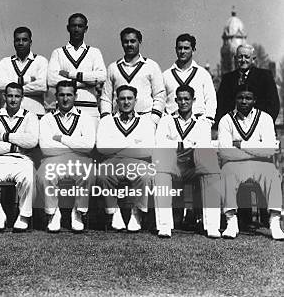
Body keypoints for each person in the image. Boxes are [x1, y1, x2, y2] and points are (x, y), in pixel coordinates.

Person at [154, 85, 221, 238]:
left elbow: (203, 145)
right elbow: (159, 143)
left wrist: (176, 144)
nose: (183, 102)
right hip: (174, 166)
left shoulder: (202, 122)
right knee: (160, 170)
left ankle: (212, 225)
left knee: (210, 166)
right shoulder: (167, 120)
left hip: (194, 166)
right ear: (175, 100)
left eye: (187, 99)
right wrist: (183, 144)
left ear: (193, 101)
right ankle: (164, 225)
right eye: (180, 99)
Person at [218, 85, 284, 240]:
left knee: (273, 175)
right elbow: (225, 152)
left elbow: (269, 149)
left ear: (254, 100)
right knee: (227, 173)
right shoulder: (226, 120)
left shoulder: (265, 118)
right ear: (235, 99)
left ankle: (275, 222)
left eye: (248, 98)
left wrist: (241, 145)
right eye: (240, 97)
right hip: (235, 164)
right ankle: (231, 221)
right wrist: (256, 149)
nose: (244, 101)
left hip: (261, 164)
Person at [0, 83, 39, 232]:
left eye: (17, 96)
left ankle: (23, 216)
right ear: (4, 97)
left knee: (29, 176)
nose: (13, 100)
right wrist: (13, 147)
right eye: (10, 96)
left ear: (22, 98)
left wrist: (5, 136)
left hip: (21, 161)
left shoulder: (30, 116)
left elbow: (31, 141)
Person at [37, 80, 96, 233]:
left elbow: (88, 146)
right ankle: (53, 213)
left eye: (69, 95)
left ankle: (77, 213)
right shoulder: (47, 119)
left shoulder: (86, 118)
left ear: (75, 96)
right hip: (53, 160)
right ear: (56, 96)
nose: (65, 99)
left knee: (87, 173)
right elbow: (46, 148)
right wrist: (74, 147)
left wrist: (61, 139)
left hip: (80, 160)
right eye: (61, 95)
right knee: (44, 175)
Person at [96, 85, 155, 232]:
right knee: (103, 174)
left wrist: (116, 147)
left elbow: (148, 150)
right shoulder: (106, 121)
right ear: (116, 100)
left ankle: (136, 212)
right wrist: (132, 144)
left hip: (138, 162)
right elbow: (102, 147)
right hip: (112, 162)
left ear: (136, 100)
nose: (126, 102)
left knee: (145, 175)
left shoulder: (145, 121)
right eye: (122, 99)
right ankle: (114, 212)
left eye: (130, 98)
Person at [101, 27, 165, 126]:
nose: (129, 45)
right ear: (122, 43)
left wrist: (153, 120)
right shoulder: (113, 67)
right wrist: (106, 120)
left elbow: (159, 95)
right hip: (118, 121)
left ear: (139, 42)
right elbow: (106, 98)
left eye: (133, 41)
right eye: (126, 42)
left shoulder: (151, 66)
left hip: (145, 120)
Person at [48, 13, 106, 119]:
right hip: (64, 109)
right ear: (68, 28)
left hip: (90, 109)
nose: (76, 29)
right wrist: (86, 82)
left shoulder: (94, 52)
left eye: (80, 26)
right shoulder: (58, 52)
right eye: (73, 26)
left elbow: (101, 77)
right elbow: (51, 79)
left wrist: (70, 75)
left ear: (86, 28)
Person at [216, 44, 279, 123]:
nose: (243, 60)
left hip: (259, 126)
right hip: (233, 127)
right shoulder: (227, 79)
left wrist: (264, 125)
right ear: (235, 58)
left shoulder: (265, 76)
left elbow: (273, 105)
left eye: (247, 57)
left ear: (253, 59)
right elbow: (221, 106)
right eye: (240, 57)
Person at [162, 34, 216, 124]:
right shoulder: (166, 75)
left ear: (193, 50)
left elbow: (211, 100)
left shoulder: (203, 74)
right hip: (172, 124)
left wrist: (208, 120)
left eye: (186, 48)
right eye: (180, 48)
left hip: (198, 122)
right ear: (175, 50)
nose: (182, 51)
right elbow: (161, 102)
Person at [0, 26, 48, 117]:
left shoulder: (41, 61)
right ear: (14, 42)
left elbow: (42, 86)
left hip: (35, 112)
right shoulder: (5, 62)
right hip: (9, 115)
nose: (20, 43)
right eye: (17, 40)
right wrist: (27, 80)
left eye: (24, 40)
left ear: (30, 42)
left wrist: (12, 87)